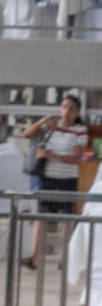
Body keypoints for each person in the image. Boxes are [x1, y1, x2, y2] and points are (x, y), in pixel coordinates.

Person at [22, 93, 88, 274]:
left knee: (66, 221)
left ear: (77, 112)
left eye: (71, 108)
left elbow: (76, 158)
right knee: (41, 217)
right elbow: (26, 134)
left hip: (67, 179)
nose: (66, 112)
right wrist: (43, 121)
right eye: (64, 107)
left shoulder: (80, 131)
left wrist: (52, 156)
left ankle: (64, 258)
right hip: (48, 179)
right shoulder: (52, 127)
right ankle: (34, 257)